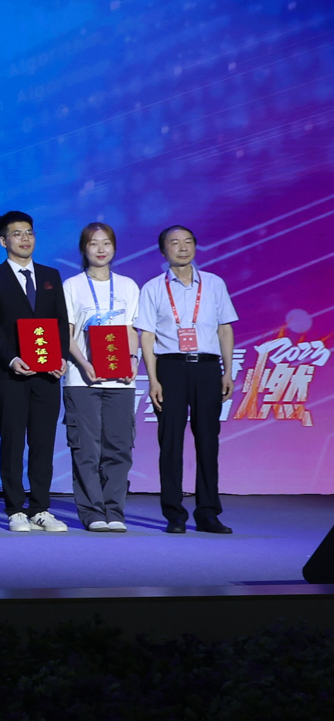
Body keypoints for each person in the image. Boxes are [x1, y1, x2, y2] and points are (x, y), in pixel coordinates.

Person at [136, 225, 237, 535]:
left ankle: (208, 513)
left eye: (188, 242)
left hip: (207, 368)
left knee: (208, 440)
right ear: (163, 250)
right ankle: (174, 514)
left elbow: (224, 328)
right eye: (175, 243)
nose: (183, 248)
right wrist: (153, 379)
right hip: (170, 369)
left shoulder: (214, 284)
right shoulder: (153, 288)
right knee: (170, 442)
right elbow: (147, 336)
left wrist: (227, 371)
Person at [0, 211, 72, 533]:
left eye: (29, 232)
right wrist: (11, 359)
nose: (24, 239)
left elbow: (61, 322)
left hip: (47, 374)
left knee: (43, 442)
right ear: (3, 241)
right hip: (11, 374)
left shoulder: (50, 275)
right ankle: (14, 508)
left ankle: (40, 508)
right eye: (17, 234)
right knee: (12, 442)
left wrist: (61, 357)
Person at [63, 222, 139, 533]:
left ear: (114, 248)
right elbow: (67, 333)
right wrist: (83, 363)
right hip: (82, 380)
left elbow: (131, 329)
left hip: (121, 381)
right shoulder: (72, 286)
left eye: (106, 243)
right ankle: (92, 511)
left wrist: (133, 360)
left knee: (119, 447)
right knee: (86, 448)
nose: (101, 249)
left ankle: (114, 510)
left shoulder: (128, 286)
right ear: (84, 249)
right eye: (94, 243)